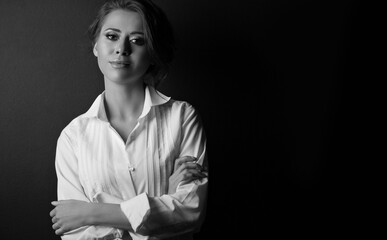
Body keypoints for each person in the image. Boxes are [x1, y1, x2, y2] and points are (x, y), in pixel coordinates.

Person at [49, 0, 208, 239]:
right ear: (96, 45)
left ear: (152, 52)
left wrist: (91, 212)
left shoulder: (183, 117)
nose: (122, 49)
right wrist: (165, 199)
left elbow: (191, 213)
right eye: (111, 36)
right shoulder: (73, 137)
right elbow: (75, 233)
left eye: (137, 40)